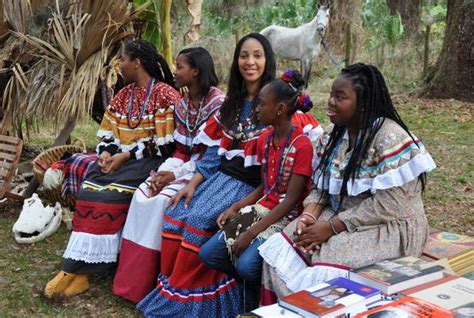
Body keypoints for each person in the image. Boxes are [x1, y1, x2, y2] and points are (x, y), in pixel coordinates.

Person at [258, 63, 436, 304]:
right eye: (331, 94)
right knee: (283, 248)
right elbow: (321, 186)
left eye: (340, 97)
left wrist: (331, 228)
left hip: (389, 224)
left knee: (326, 264)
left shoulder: (390, 138)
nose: (330, 102)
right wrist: (309, 216)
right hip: (342, 213)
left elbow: (388, 206)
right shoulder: (333, 135)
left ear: (363, 102)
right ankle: (289, 310)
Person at [137, 33, 276, 317]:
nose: (250, 62)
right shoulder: (232, 103)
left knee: (199, 220)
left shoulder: (277, 102)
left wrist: (246, 203)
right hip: (220, 180)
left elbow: (277, 164)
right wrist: (193, 183)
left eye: (257, 55)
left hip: (250, 187)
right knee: (176, 213)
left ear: (268, 60)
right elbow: (214, 153)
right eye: (244, 55)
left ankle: (199, 302)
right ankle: (174, 294)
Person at [44, 40, 181, 298]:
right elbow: (108, 131)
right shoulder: (124, 95)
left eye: (122, 59)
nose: (119, 64)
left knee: (110, 195)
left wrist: (126, 155)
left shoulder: (166, 95)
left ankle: (80, 269)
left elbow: (168, 144)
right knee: (90, 188)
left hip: (149, 161)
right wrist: (107, 152)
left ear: (136, 63)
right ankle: (76, 270)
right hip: (122, 159)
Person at [112, 47, 225, 303]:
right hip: (184, 164)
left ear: (196, 71)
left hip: (207, 170)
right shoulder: (183, 104)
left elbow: (212, 155)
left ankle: (155, 282)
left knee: (164, 202)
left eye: (180, 66)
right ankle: (132, 283)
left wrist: (175, 177)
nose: (175, 71)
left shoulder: (218, 103)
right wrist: (165, 173)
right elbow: (182, 150)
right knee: (143, 195)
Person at [198, 69, 314, 308]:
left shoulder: (301, 145)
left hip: (287, 217)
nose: (257, 109)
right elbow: (265, 186)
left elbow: (290, 201)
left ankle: (257, 297)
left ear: (280, 109)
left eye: (262, 104)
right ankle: (247, 292)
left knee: (246, 264)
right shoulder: (266, 140)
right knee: (208, 254)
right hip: (264, 209)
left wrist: (251, 233)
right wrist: (236, 207)